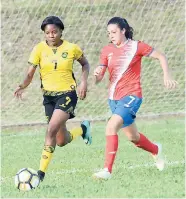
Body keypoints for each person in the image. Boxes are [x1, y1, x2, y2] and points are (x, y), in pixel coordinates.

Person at [93, 17, 177, 180]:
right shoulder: (106, 50)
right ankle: (155, 150)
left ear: (123, 31)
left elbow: (161, 56)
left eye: (114, 32)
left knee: (111, 127)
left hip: (132, 95)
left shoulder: (136, 46)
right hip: (114, 99)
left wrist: (167, 75)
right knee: (133, 137)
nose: (111, 35)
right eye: (109, 33)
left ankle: (107, 171)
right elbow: (99, 77)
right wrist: (97, 75)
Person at [14, 16, 92, 182]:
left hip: (67, 94)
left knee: (50, 130)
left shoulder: (71, 48)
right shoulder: (39, 49)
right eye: (47, 32)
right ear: (44, 34)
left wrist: (83, 82)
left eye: (54, 31)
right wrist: (22, 85)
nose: (51, 35)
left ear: (61, 31)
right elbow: (30, 73)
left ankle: (39, 175)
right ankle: (83, 130)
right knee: (61, 140)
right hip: (48, 97)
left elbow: (85, 64)